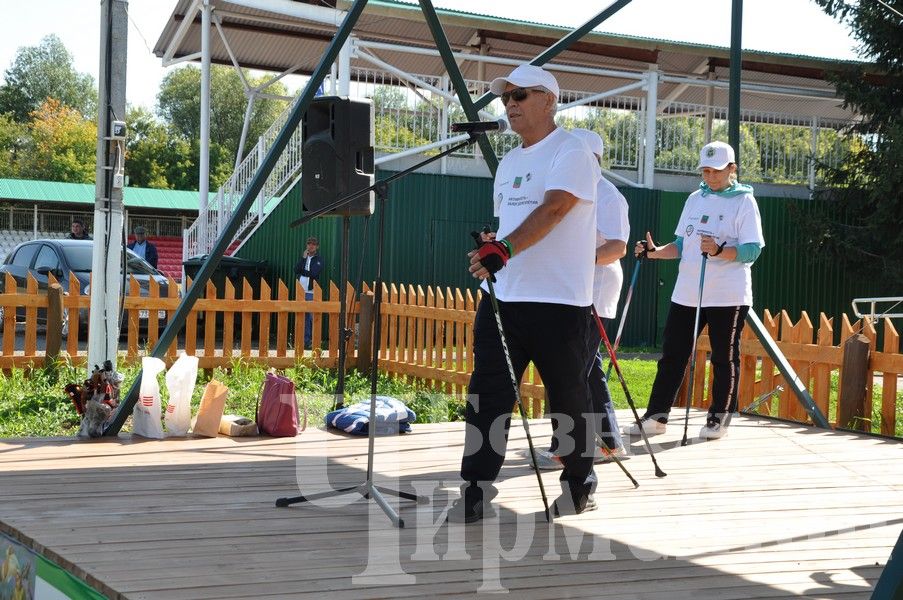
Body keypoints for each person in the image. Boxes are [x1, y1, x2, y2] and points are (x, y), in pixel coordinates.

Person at [447, 64, 600, 523]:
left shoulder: (571, 149)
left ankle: (579, 483)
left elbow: (555, 209)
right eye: (505, 97)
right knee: (487, 394)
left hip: (559, 301)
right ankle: (475, 487)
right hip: (503, 298)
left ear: (549, 100)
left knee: (568, 398)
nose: (510, 103)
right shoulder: (510, 162)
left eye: (520, 95)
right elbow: (509, 227)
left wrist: (505, 247)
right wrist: (490, 251)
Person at [625, 140, 764, 440]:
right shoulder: (694, 199)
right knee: (672, 355)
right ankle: (656, 417)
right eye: (705, 171)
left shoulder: (744, 202)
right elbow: (679, 246)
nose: (710, 177)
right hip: (687, 292)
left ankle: (719, 419)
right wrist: (653, 252)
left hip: (728, 295)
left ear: (732, 169)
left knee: (723, 358)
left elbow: (752, 250)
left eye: (716, 171)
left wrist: (719, 251)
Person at [528, 128, 630, 470]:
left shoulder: (608, 195)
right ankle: (608, 440)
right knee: (584, 368)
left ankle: (568, 447)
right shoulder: (566, 190)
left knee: (575, 370)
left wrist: (576, 258)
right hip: (570, 287)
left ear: (593, 159)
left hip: (595, 287)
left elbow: (617, 247)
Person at [294, 236, 324, 349]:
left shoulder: (319, 260)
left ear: (317, 247)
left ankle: (314, 341)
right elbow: (295, 270)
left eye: (313, 244)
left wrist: (303, 271)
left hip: (311, 292)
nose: (310, 246)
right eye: (309, 244)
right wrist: (303, 259)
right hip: (301, 291)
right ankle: (305, 341)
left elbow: (314, 274)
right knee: (304, 317)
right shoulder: (304, 258)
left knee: (312, 317)